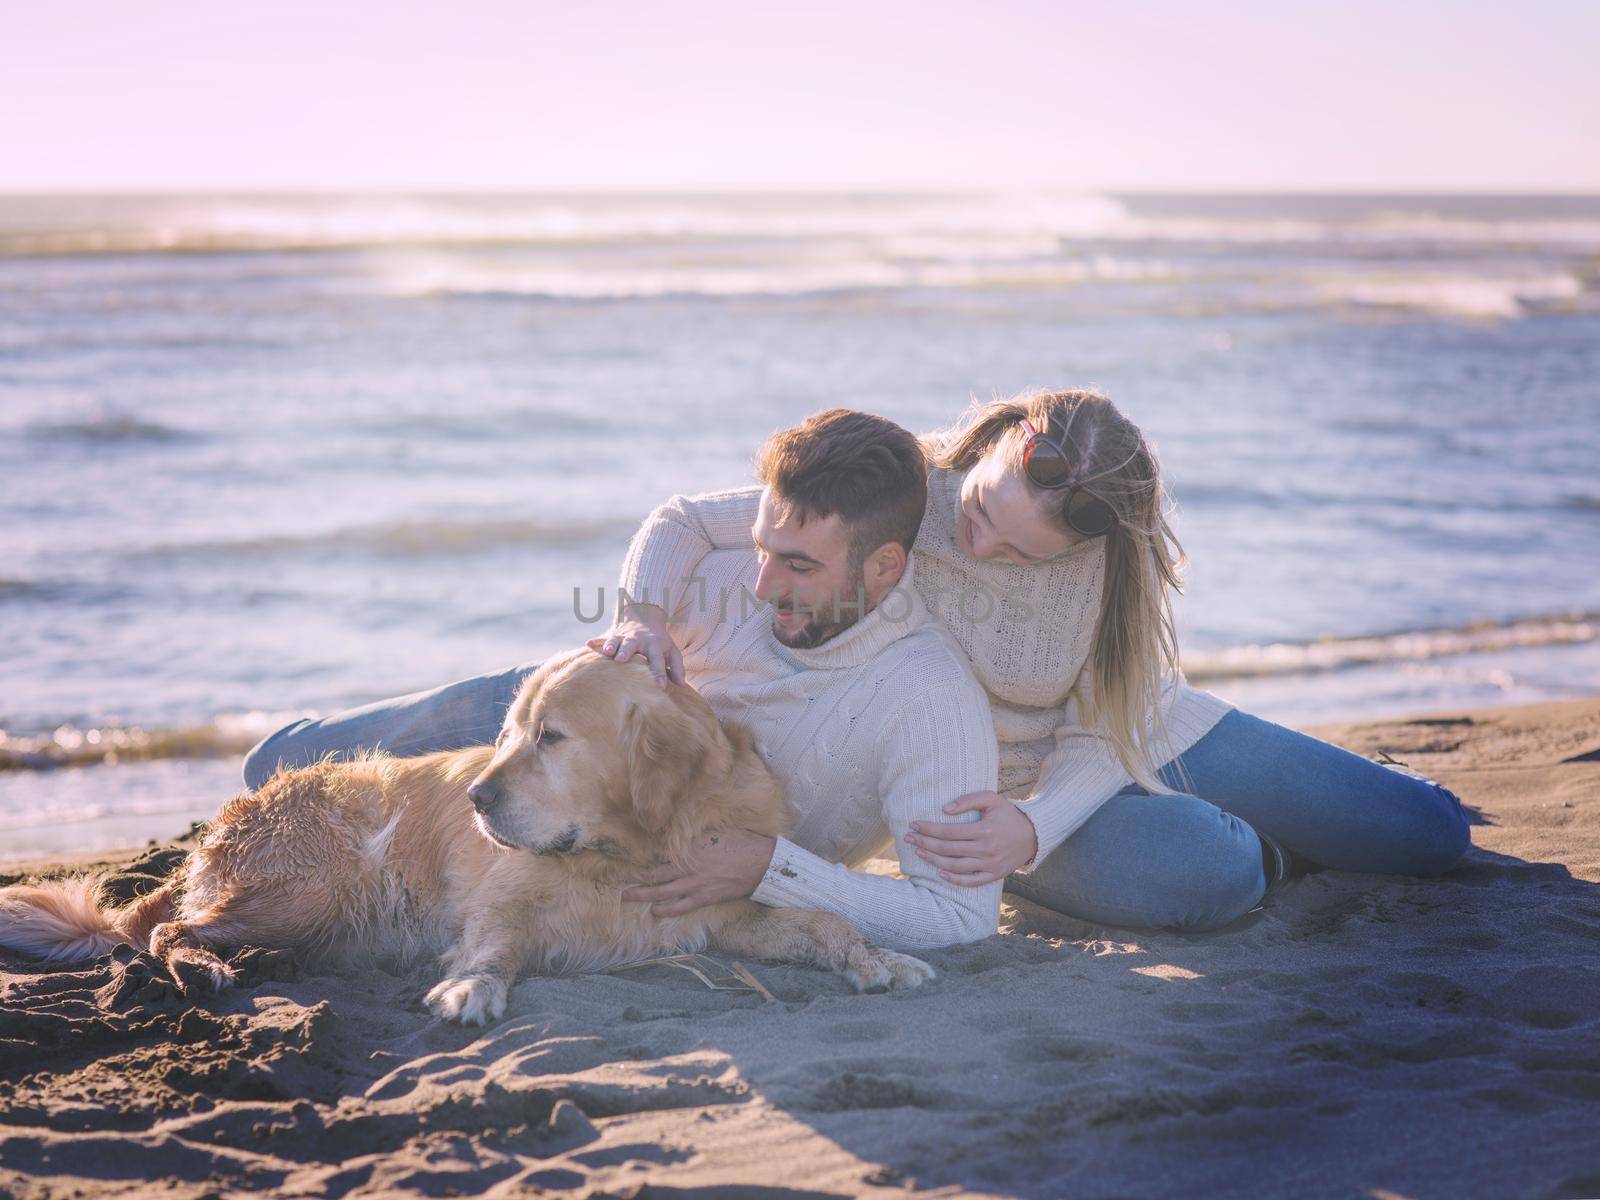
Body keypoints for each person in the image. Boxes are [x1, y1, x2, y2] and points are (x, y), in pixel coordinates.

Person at [601, 389, 1471, 933]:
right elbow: (685, 521)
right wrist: (641, 621)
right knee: (1216, 868)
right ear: (992, 446)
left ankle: (1341, 792)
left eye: (1020, 552)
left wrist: (1040, 823)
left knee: (1432, 836)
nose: (979, 546)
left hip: (1137, 738)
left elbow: (1105, 727)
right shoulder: (907, 493)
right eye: (981, 512)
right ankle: (1285, 852)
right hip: (1002, 790)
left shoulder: (1104, 572)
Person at [244, 410, 1000, 951]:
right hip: (559, 711)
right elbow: (678, 520)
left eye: (799, 566)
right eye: (764, 547)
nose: (762, 586)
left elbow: (959, 918)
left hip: (585, 755)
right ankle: (272, 752)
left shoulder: (929, 702)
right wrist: (642, 617)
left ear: (885, 568)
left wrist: (777, 868)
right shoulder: (743, 567)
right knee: (281, 764)